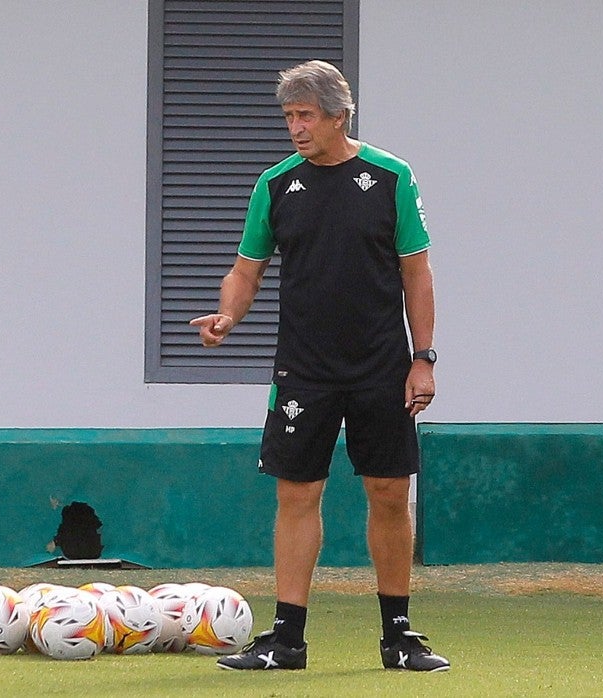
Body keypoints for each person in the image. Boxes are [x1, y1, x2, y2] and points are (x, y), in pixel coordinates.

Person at [189, 60, 449, 673]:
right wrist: (228, 316)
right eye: (288, 117)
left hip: (383, 366)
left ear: (339, 116)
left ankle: (399, 637)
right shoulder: (276, 185)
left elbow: (418, 271)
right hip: (303, 369)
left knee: (389, 492)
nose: (296, 128)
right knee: (298, 493)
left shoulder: (391, 177)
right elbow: (245, 271)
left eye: (306, 116)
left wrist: (424, 358)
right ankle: (287, 640)